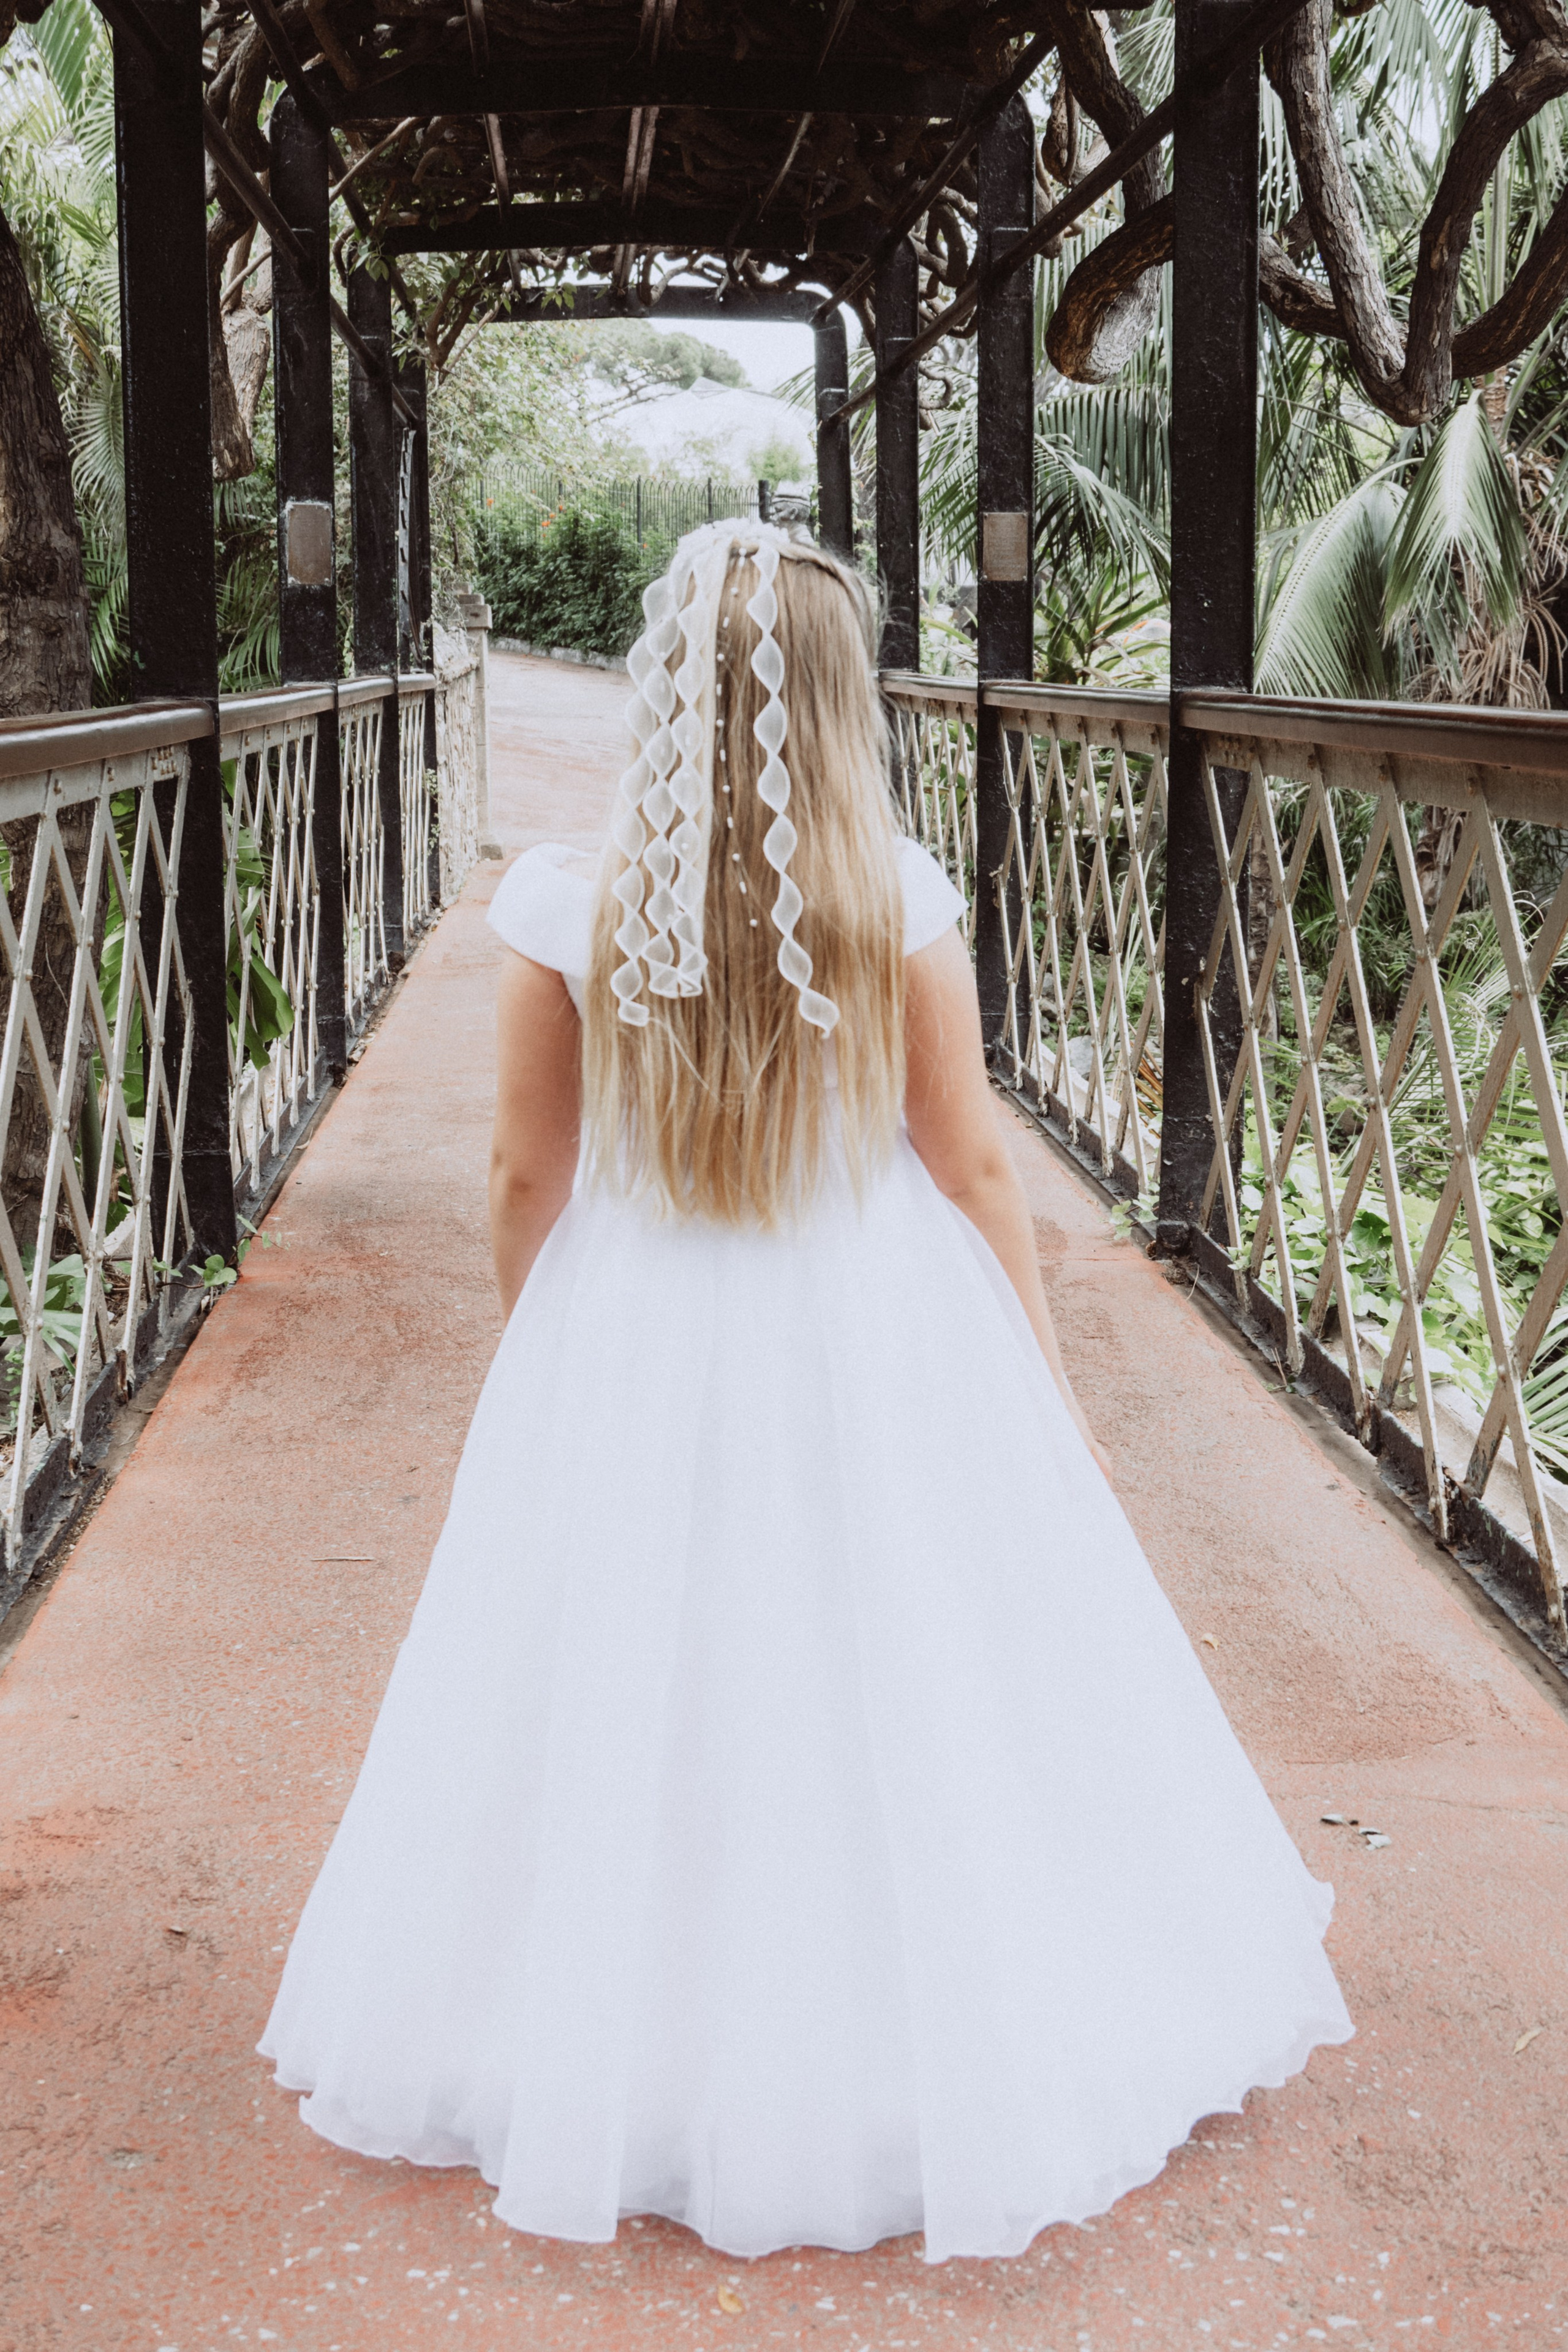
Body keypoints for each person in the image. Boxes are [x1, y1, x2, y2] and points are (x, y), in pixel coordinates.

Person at [260, 523, 1352, 2264]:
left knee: (639, 1666)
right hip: (873, 1315)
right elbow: (975, 1167)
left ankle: (630, 2029)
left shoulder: (565, 903)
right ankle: (897, 2025)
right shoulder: (893, 899)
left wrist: (553, 1359)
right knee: (893, 1649)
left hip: (631, 1310)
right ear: (841, 704)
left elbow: (523, 1176)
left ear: (663, 686)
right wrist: (1042, 1390)